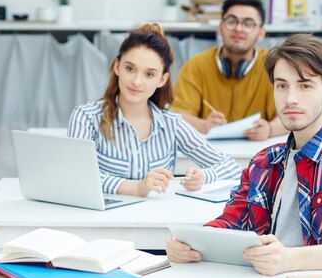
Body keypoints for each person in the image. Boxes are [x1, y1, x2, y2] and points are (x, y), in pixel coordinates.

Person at [166, 33, 322, 275]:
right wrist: (190, 243)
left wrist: (291, 259)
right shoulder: (264, 162)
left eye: (305, 85)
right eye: (282, 85)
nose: (290, 98)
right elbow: (231, 222)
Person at [68, 24, 242, 198]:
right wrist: (136, 188)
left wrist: (204, 177)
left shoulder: (172, 124)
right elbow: (74, 173)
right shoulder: (86, 117)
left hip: (155, 219)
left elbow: (232, 168)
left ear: (162, 79)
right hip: (101, 220)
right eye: (130, 69)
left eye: (149, 74)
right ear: (117, 66)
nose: (136, 81)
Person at [173, 0, 287, 141]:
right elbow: (178, 116)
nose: (239, 29)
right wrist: (204, 125)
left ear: (261, 33)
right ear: (220, 28)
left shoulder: (275, 66)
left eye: (248, 23)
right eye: (232, 21)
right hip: (208, 154)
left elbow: (291, 114)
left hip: (258, 154)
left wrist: (270, 129)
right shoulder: (195, 65)